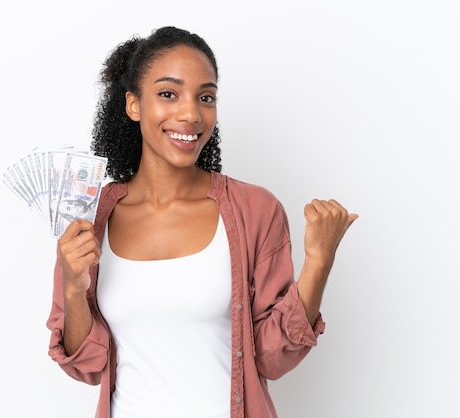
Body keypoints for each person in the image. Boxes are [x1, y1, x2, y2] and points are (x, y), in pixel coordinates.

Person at [46, 26, 358, 418]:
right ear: (133, 104)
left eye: (205, 97)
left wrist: (318, 262)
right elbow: (86, 367)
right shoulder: (89, 217)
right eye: (168, 94)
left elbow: (271, 358)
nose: (191, 114)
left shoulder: (255, 209)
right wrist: (74, 291)